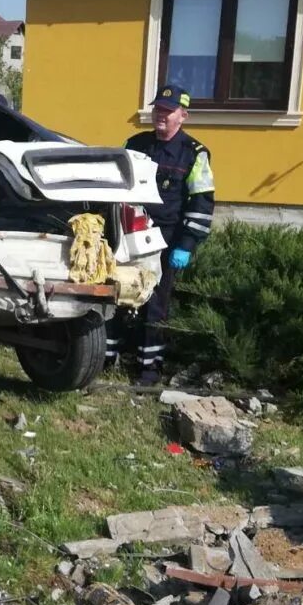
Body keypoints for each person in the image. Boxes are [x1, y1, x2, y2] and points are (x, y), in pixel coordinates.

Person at [120, 84, 215, 385]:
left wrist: (186, 244)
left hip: (166, 238)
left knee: (155, 303)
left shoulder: (195, 154)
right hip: (130, 232)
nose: (161, 115)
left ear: (183, 115)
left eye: (168, 110)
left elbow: (202, 203)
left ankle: (149, 369)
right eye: (158, 108)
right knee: (118, 293)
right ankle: (109, 356)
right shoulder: (135, 144)